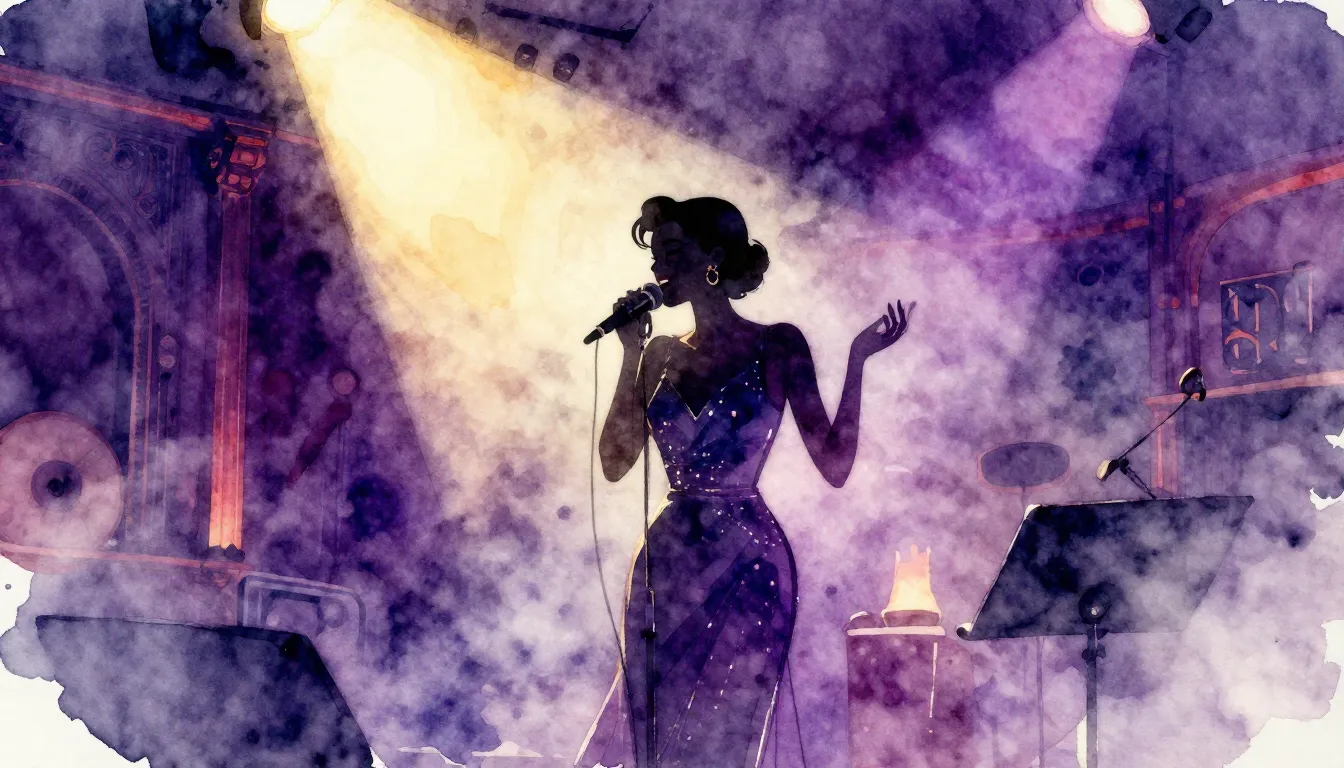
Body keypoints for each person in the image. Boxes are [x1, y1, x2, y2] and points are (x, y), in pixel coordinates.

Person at [576, 196, 913, 768]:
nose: (657, 266)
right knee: (650, 730)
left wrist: (857, 362)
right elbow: (614, 463)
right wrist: (631, 353)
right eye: (655, 254)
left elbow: (834, 464)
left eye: (672, 250)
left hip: (750, 564)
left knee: (726, 739)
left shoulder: (777, 344)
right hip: (668, 561)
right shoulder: (658, 354)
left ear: (712, 257)